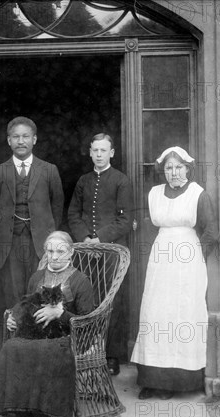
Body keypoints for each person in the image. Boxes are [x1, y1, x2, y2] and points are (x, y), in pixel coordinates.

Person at [131, 146, 218, 400]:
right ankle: (151, 381)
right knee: (156, 313)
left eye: (178, 167)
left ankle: (175, 384)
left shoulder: (198, 194)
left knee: (182, 315)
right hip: (160, 262)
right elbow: (149, 229)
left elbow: (211, 231)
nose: (173, 172)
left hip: (187, 263)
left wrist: (196, 258)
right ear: (163, 171)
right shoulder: (155, 194)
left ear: (188, 168)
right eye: (169, 168)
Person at [0, 231, 94, 417]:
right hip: (36, 333)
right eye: (50, 251)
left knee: (45, 350)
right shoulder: (37, 277)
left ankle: (40, 414)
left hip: (68, 336)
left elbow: (88, 321)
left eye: (60, 251)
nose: (54, 256)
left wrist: (60, 313)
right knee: (12, 346)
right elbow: (26, 305)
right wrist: (14, 317)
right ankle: (18, 411)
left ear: (71, 253)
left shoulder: (80, 281)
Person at [67, 133, 134, 376]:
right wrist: (85, 239)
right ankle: (85, 350)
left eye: (103, 151)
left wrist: (100, 239)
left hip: (111, 253)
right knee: (85, 299)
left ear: (112, 153)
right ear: (90, 152)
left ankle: (111, 355)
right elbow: (73, 214)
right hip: (85, 253)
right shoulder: (84, 181)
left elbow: (126, 219)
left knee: (111, 302)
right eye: (95, 150)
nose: (98, 155)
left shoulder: (121, 180)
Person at [0, 116, 64, 313]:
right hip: (10, 244)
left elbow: (57, 206)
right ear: (8, 140)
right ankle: (15, 341)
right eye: (16, 136)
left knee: (41, 291)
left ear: (34, 140)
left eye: (26, 136)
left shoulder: (49, 170)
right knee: (13, 294)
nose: (21, 141)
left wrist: (46, 231)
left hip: (40, 244)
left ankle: (38, 342)